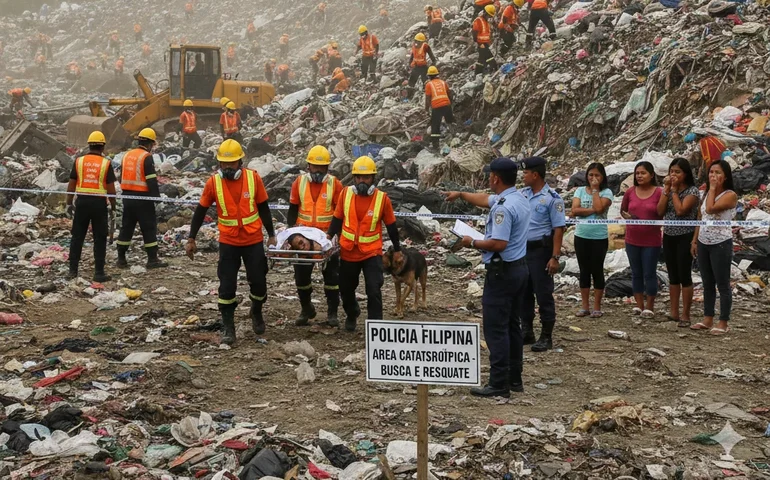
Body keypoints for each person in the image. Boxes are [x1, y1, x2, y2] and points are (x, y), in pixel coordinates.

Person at [444, 157, 530, 398]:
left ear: (496, 178)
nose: (487, 179)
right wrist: (460, 194)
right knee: (512, 325)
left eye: (489, 176)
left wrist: (471, 242)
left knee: (496, 328)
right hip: (519, 269)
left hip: (502, 272)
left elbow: (498, 243)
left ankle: (498, 383)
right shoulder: (517, 198)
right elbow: (484, 200)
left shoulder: (503, 207)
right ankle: (515, 378)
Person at [185, 140, 276, 345]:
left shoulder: (253, 179)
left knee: (259, 283)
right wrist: (191, 238)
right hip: (228, 241)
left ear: (240, 162)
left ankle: (256, 311)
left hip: (252, 240)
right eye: (223, 164)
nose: (227, 167)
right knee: (227, 286)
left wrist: (271, 235)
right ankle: (228, 326)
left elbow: (263, 208)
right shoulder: (213, 183)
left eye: (231, 163)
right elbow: (200, 211)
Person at [326, 156, 401, 331]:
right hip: (348, 251)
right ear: (354, 178)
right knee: (346, 289)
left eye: (366, 178)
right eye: (358, 177)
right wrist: (327, 238)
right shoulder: (345, 194)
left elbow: (391, 227)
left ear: (373, 178)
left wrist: (397, 249)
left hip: (371, 253)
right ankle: (352, 313)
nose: (362, 181)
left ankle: (376, 328)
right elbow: (337, 220)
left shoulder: (382, 199)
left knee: (374, 289)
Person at [287, 145, 345, 327]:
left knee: (332, 278)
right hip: (304, 237)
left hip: (327, 237)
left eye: (322, 168)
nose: (318, 171)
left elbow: (340, 213)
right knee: (301, 277)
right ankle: (306, 308)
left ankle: (332, 312)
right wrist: (290, 234)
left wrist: (339, 237)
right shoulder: (299, 182)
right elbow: (293, 208)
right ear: (308, 166)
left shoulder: (335, 184)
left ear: (328, 168)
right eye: (315, 167)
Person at [520, 157, 565, 352]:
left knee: (543, 294)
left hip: (541, 251)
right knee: (524, 293)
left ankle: (546, 336)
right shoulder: (522, 195)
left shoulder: (553, 199)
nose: (523, 176)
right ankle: (527, 331)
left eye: (525, 173)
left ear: (535, 175)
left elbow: (558, 229)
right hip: (522, 251)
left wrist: (554, 257)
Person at [690, 160, 737, 335]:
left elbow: (710, 209)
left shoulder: (729, 195)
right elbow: (701, 218)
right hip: (704, 241)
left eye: (717, 173)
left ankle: (723, 321)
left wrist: (711, 189)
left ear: (725, 177)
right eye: (711, 172)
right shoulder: (706, 194)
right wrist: (694, 241)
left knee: (722, 284)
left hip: (721, 243)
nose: (713, 176)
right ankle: (707, 318)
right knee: (707, 283)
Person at [66, 131, 117, 282]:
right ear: (102, 147)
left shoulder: (79, 161)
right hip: (99, 204)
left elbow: (71, 184)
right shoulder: (106, 163)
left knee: (77, 237)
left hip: (82, 203)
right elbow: (111, 189)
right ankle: (99, 273)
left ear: (89, 145)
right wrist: (114, 206)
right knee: (100, 238)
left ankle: (72, 271)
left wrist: (69, 203)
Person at [656, 158, 699, 328]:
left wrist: (673, 191)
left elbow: (681, 210)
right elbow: (659, 211)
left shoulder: (692, 191)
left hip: (685, 236)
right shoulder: (668, 190)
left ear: (685, 174)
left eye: (677, 172)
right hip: (669, 235)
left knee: (684, 275)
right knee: (673, 275)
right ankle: (673, 311)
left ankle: (686, 314)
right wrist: (666, 190)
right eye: (671, 171)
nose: (673, 175)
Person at [116, 128, 167, 269]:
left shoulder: (126, 155)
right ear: (150, 143)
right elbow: (151, 180)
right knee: (148, 228)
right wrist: (156, 199)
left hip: (127, 196)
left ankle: (121, 259)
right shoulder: (146, 157)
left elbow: (121, 177)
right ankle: (152, 260)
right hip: (143, 199)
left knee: (126, 227)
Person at [621, 161, 663, 319]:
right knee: (636, 273)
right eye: (637, 173)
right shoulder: (630, 192)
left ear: (651, 175)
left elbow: (661, 212)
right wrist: (629, 217)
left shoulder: (659, 192)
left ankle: (650, 307)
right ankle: (639, 305)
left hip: (651, 240)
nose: (639, 176)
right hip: (632, 239)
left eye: (643, 173)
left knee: (649, 273)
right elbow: (623, 210)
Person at [571, 162, 613, 318]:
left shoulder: (607, 192)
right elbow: (575, 210)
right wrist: (592, 210)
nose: (593, 178)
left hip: (598, 237)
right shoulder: (580, 191)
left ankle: (597, 306)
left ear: (602, 177)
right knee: (584, 271)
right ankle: (584, 306)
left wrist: (595, 191)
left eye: (597, 175)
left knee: (597, 270)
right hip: (581, 235)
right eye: (590, 175)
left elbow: (601, 208)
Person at [424, 66, 453, 150]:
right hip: (447, 104)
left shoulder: (428, 84)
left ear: (429, 76)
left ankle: (435, 146)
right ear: (437, 74)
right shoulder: (443, 82)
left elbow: (428, 99)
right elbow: (449, 94)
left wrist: (426, 110)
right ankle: (455, 139)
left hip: (436, 107)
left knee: (435, 126)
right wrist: (450, 104)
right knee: (450, 122)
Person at [472, 5, 496, 75]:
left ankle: (477, 73)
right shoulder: (478, 20)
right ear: (485, 13)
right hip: (481, 43)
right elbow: (474, 32)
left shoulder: (486, 21)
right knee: (489, 55)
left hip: (485, 43)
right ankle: (494, 67)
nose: (489, 17)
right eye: (489, 15)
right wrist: (478, 42)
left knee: (481, 59)